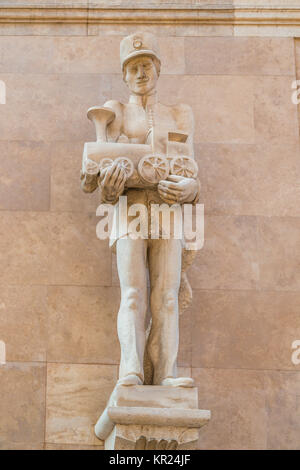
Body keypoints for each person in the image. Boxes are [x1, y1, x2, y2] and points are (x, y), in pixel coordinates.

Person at [81, 32, 201, 387]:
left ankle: (166, 372)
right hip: (129, 211)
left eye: (146, 65)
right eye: (132, 67)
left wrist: (191, 190)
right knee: (132, 294)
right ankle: (130, 369)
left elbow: (191, 170)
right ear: (124, 75)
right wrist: (108, 185)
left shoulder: (179, 114)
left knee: (166, 296)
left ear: (158, 69)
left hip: (168, 211)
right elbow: (94, 178)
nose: (140, 73)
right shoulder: (115, 111)